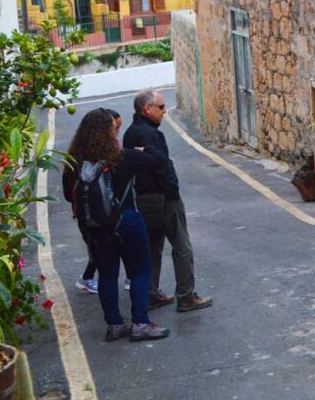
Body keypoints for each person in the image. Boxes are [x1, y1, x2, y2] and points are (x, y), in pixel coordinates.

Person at [65, 108, 170, 341]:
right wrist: (142, 149)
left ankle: (114, 325)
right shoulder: (123, 157)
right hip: (127, 221)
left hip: (95, 228)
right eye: (115, 129)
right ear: (109, 132)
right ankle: (141, 323)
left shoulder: (74, 163)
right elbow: (159, 159)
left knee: (107, 275)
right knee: (139, 270)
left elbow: (67, 195)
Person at [123, 90, 212, 312]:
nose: (164, 111)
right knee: (181, 246)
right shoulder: (152, 135)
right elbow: (162, 167)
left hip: (143, 198)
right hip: (163, 197)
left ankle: (150, 294)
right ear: (147, 109)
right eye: (161, 107)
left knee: (152, 247)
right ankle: (186, 295)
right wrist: (173, 191)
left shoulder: (131, 133)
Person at [65, 108, 124, 294]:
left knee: (98, 254)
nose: (117, 133)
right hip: (110, 217)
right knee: (110, 258)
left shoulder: (73, 159)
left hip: (85, 217)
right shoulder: (112, 157)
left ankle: (89, 280)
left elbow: (68, 194)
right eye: (114, 128)